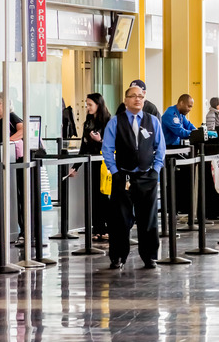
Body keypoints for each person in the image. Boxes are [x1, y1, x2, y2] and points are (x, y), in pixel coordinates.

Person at [102, 83, 166, 270]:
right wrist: (115, 172)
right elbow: (107, 150)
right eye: (133, 96)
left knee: (149, 219)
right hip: (124, 176)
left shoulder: (152, 121)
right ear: (126, 100)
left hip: (147, 176)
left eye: (141, 96)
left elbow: (160, 148)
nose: (138, 99)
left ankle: (150, 257)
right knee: (120, 220)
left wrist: (156, 171)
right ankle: (118, 257)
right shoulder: (116, 121)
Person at [68, 93, 111, 241]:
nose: (88, 107)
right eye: (87, 104)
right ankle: (96, 228)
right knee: (92, 196)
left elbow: (112, 144)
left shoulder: (107, 121)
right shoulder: (88, 121)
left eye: (90, 104)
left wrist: (100, 140)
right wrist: (76, 166)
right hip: (90, 162)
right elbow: (83, 146)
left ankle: (106, 228)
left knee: (103, 196)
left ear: (98, 105)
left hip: (103, 163)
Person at [0, 92, 26, 243]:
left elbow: (23, 130)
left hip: (16, 162)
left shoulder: (12, 117)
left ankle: (24, 231)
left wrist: (8, 141)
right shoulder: (0, 121)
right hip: (6, 163)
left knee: (20, 195)